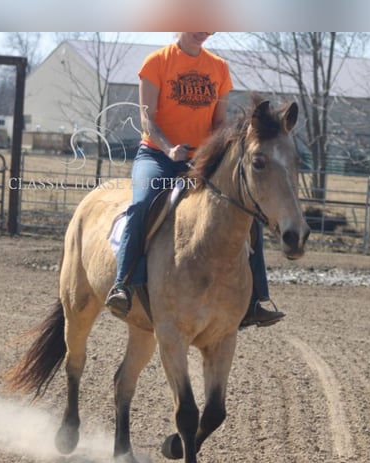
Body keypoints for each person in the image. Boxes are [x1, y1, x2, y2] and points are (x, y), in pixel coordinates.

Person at [106, 32, 284, 328]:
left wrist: (223, 150)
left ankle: (256, 299)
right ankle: (123, 284)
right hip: (157, 156)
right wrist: (168, 148)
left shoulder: (218, 67)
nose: (205, 28)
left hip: (202, 159)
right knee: (142, 203)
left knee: (247, 213)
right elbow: (147, 118)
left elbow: (218, 122)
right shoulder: (156, 62)